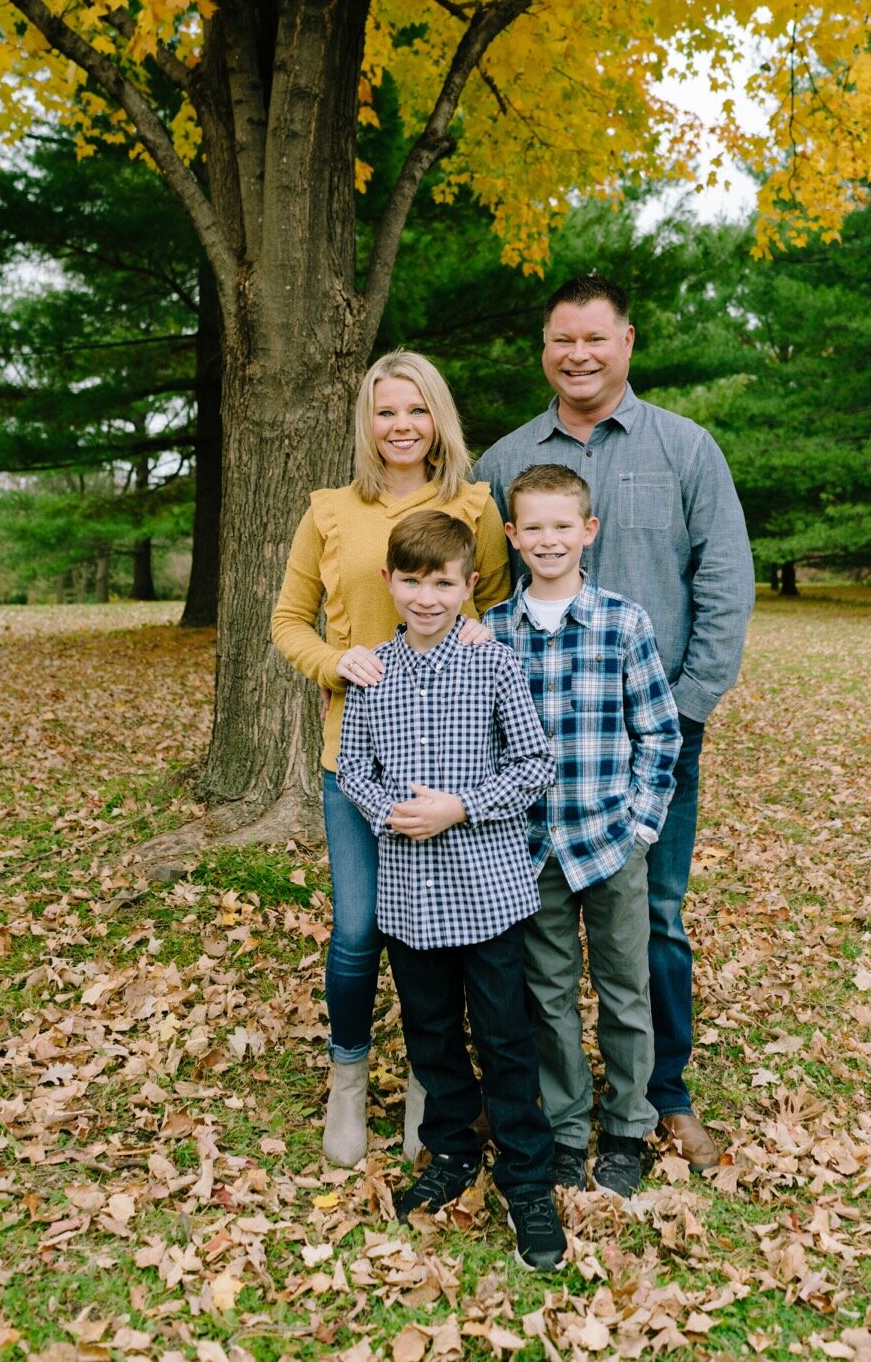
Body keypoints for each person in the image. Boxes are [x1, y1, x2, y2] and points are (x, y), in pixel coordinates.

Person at [475, 276, 753, 1170]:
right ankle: (559, 1109)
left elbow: (724, 582)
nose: (579, 355)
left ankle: (660, 1098)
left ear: (626, 341)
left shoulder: (684, 447)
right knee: (543, 942)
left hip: (652, 730)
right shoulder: (505, 458)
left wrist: (686, 706)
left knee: (655, 919)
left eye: (596, 338)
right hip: (534, 754)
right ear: (545, 347)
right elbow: (474, 591)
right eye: (563, 339)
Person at [270, 351, 511, 1167]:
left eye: (416, 409)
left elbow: (503, 601)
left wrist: (488, 627)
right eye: (385, 411)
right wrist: (333, 663)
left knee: (436, 938)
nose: (401, 425)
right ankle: (347, 1081)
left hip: (452, 766)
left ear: (437, 418)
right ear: (367, 423)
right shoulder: (330, 511)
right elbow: (288, 620)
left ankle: (430, 1089)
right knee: (358, 931)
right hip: (358, 760)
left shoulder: (472, 506)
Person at [335, 510, 561, 1270]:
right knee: (431, 1034)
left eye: (443, 582)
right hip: (408, 895)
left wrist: (460, 806)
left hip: (487, 890)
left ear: (470, 585)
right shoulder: (373, 673)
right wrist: (388, 813)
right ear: (389, 582)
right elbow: (355, 769)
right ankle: (452, 1153)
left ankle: (528, 1180)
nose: (426, 597)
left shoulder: (491, 663)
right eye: (412, 581)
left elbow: (535, 763)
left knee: (503, 1036)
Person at [482, 464, 680, 1198]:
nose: (548, 539)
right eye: (532, 526)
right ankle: (566, 1127)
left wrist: (639, 827)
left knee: (626, 989)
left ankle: (626, 1126)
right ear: (512, 535)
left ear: (588, 530)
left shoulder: (623, 622)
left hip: (609, 841)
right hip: (530, 848)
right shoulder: (493, 630)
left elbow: (659, 734)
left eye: (563, 525)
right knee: (549, 993)